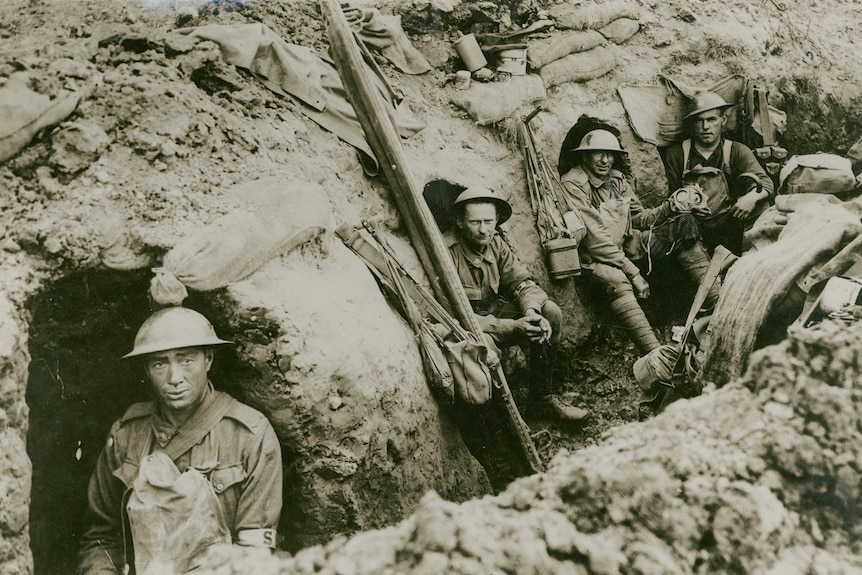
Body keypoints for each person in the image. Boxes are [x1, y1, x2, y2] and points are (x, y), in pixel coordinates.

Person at [78, 307, 283, 575]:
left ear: (208, 359)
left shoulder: (249, 435)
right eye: (160, 364)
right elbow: (100, 537)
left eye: (186, 360)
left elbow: (254, 551)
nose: (174, 378)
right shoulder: (127, 434)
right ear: (147, 369)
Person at [558, 128, 718, 355]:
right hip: (592, 259)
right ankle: (656, 356)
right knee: (618, 279)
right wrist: (634, 273)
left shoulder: (616, 180)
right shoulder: (573, 184)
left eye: (610, 154)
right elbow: (596, 241)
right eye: (598, 154)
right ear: (585, 155)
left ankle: (720, 306)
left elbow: (640, 218)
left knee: (685, 226)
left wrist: (670, 207)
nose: (605, 160)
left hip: (624, 248)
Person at [448, 187, 589, 423]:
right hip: (474, 328)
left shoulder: (497, 245)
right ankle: (500, 424)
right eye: (475, 222)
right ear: (460, 222)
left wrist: (531, 312)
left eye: (488, 221)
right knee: (487, 350)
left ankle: (541, 399)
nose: (484, 230)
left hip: (499, 315)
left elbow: (523, 282)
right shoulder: (449, 254)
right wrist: (514, 326)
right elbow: (458, 316)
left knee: (550, 312)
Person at [662, 91, 775, 255]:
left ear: (723, 120)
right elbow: (668, 197)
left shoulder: (736, 151)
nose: (705, 127)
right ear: (692, 124)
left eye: (711, 119)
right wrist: (686, 209)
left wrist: (750, 198)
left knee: (761, 205)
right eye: (699, 121)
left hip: (729, 224)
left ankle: (752, 259)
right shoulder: (677, 153)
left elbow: (765, 183)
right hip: (694, 227)